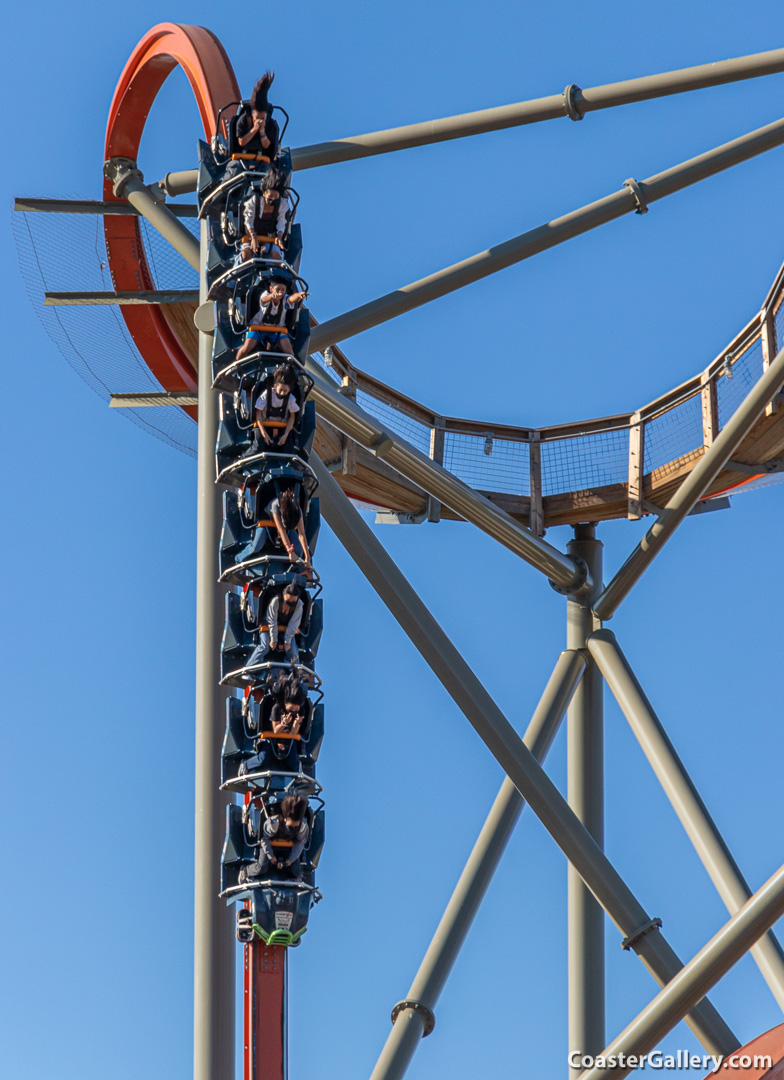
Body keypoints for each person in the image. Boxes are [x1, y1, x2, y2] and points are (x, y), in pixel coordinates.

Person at [234, 486, 314, 574]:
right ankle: (238, 559)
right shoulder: (276, 505)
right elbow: (281, 530)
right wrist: (290, 551)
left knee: (299, 549)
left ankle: (290, 567)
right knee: (257, 545)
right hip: (268, 522)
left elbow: (301, 534)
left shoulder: (298, 511)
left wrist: (307, 557)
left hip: (287, 527)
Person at [240, 794, 310, 881]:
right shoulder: (273, 823)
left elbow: (300, 843)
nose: (295, 826)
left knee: (296, 871)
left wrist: (291, 859)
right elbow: (264, 839)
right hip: (270, 845)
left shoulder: (302, 826)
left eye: (297, 823)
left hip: (289, 847)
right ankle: (245, 871)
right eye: (292, 823)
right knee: (261, 867)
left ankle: (297, 879)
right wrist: (271, 856)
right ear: (285, 818)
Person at [234, 280, 308, 358]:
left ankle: (289, 366)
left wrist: (299, 295)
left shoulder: (285, 299)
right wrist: (272, 296)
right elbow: (263, 300)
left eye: (283, 290)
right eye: (278, 289)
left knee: (289, 352)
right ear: (271, 289)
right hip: (258, 327)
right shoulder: (266, 294)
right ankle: (237, 363)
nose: (280, 292)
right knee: (247, 347)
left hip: (277, 330)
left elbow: (291, 299)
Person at [242, 362, 300, 456]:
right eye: (280, 390)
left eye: (285, 391)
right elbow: (258, 413)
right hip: (264, 424)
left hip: (282, 427)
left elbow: (292, 417)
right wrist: (264, 433)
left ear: (289, 389)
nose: (282, 393)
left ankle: (292, 467)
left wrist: (285, 435)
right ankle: (242, 460)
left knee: (289, 450)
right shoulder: (267, 395)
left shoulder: (291, 399)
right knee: (258, 448)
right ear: (275, 386)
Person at [246, 582, 304, 669]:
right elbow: (272, 621)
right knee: (264, 647)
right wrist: (274, 639)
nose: (289, 605)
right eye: (288, 601)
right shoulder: (275, 601)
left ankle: (295, 673)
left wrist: (287, 642)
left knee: (293, 651)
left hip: (286, 630)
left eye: (293, 602)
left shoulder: (299, 605)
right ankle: (249, 668)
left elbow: (293, 625)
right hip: (268, 627)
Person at [238, 699, 302, 777]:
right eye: (292, 708)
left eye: (296, 709)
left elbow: (293, 733)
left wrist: (297, 723)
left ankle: (297, 770)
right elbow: (275, 730)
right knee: (263, 758)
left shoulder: (300, 712)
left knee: (293, 763)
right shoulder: (276, 708)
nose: (293, 711)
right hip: (269, 736)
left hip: (288, 738)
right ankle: (246, 765)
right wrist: (284, 723)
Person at [242, 169, 290, 260]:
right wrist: (253, 235)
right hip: (251, 235)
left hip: (269, 237)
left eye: (276, 197)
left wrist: (279, 236)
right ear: (264, 194)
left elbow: (281, 221)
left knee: (276, 257)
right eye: (270, 197)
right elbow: (248, 219)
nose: (273, 200)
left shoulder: (282, 204)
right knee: (246, 255)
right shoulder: (254, 202)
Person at [235, 72, 280, 160]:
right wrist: (254, 129)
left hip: (262, 160)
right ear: (252, 114)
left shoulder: (270, 124)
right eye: (257, 118)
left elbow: (266, 145)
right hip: (240, 159)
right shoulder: (243, 120)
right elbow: (241, 142)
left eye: (262, 118)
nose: (260, 120)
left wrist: (262, 131)